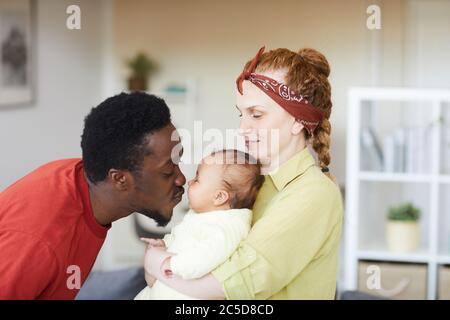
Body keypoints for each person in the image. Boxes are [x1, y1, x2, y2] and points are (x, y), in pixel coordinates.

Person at [144, 46, 344, 300]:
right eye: (241, 114)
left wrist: (155, 264)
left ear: (297, 121)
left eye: (257, 115)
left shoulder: (313, 193)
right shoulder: (252, 185)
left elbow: (230, 286)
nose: (242, 128)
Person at [0, 92, 186, 299]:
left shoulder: (83, 179)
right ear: (119, 179)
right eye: (168, 172)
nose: (181, 179)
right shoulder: (40, 241)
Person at [135, 149, 264, 300]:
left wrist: (169, 263)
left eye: (197, 179)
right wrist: (163, 245)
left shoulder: (227, 227)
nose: (189, 181)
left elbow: (206, 256)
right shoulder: (203, 216)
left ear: (219, 197)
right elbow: (181, 240)